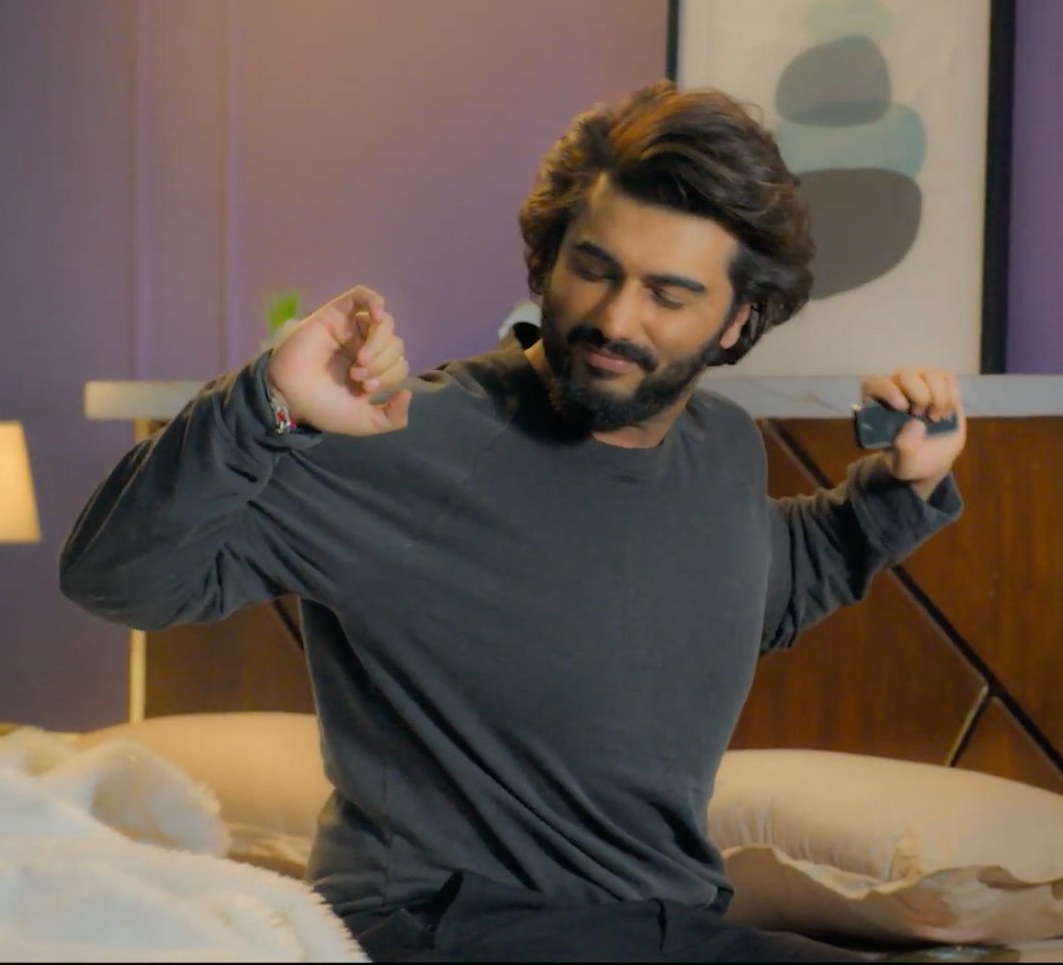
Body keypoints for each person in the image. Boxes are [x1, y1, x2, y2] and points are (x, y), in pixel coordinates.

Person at [59, 81, 968, 963]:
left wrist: (901, 489)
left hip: (662, 928)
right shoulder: (409, 439)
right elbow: (117, 578)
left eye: (667, 294)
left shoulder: (722, 449)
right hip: (435, 926)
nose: (615, 318)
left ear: (738, 322)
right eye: (594, 269)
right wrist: (264, 402)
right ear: (545, 263)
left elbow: (755, 585)